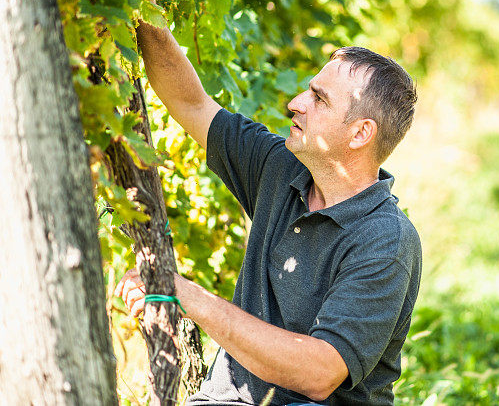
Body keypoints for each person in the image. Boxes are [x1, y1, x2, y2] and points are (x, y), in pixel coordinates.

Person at [114, 20, 422, 406]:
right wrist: (142, 6)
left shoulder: (386, 240)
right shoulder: (280, 167)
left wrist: (187, 296)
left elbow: (320, 373)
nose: (295, 103)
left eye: (319, 99)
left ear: (360, 133)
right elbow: (191, 103)